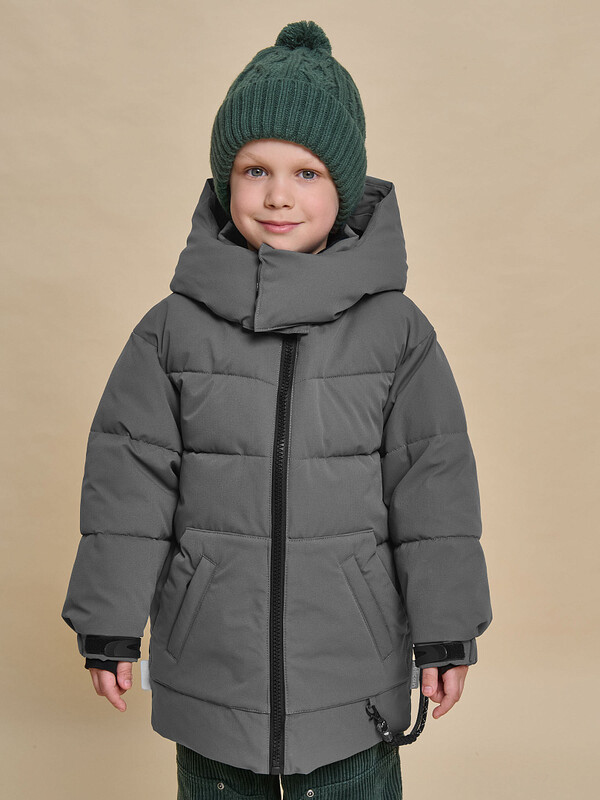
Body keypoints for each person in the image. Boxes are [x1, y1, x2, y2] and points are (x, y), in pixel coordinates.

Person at [61, 19, 492, 799]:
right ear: (225, 180)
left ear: (345, 187)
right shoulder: (171, 332)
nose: (278, 195)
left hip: (353, 685)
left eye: (307, 172)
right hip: (212, 677)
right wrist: (110, 622)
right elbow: (128, 486)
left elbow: (435, 491)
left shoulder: (398, 334)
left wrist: (445, 631)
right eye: (254, 169)